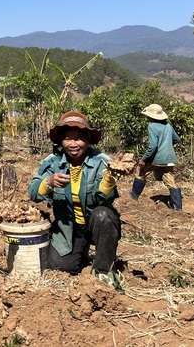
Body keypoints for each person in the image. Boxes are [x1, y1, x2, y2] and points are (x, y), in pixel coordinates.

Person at [27, 111, 122, 286]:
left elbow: (103, 199)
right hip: (69, 227)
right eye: (67, 139)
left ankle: (103, 271)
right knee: (60, 266)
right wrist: (48, 182)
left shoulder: (102, 162)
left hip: (96, 224)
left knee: (103, 214)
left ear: (87, 140)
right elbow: (32, 192)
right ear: (60, 141)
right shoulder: (52, 162)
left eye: (78, 139)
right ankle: (80, 250)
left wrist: (110, 176)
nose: (73, 144)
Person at [129, 104, 183, 211]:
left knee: (141, 173)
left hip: (156, 159)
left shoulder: (152, 126)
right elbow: (177, 139)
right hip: (169, 159)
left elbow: (153, 146)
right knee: (170, 180)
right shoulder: (168, 126)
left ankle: (133, 196)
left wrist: (144, 159)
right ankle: (178, 208)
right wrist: (166, 143)